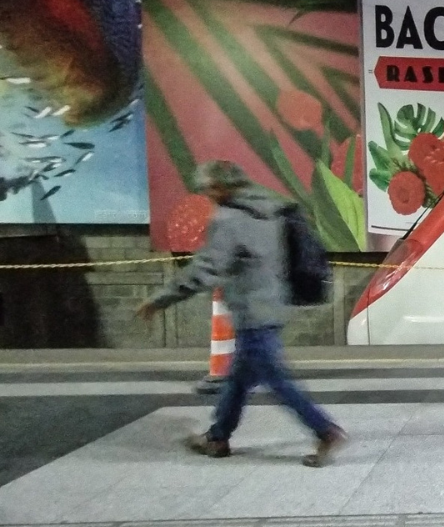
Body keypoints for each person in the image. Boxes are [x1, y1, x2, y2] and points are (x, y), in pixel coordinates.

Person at [136, 160, 345, 467]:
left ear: (221, 187)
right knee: (238, 379)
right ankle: (218, 437)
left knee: (277, 380)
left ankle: (325, 431)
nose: (207, 195)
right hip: (272, 304)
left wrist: (160, 299)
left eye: (209, 188)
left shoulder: (229, 219)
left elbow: (207, 268)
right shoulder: (271, 210)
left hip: (252, 312)